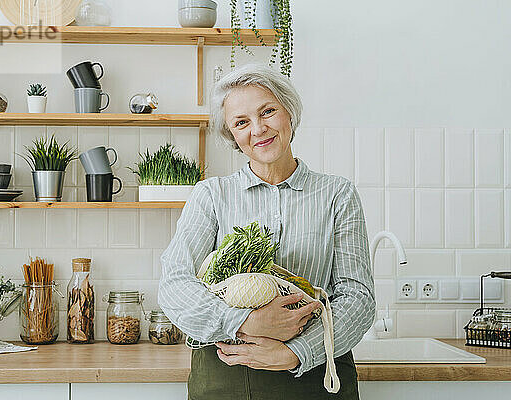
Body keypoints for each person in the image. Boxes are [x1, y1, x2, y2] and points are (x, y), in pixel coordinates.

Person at [158, 64, 375, 400]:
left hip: (317, 375)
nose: (258, 129)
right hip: (226, 376)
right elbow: (174, 284)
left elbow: (358, 298)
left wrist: (297, 351)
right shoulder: (212, 195)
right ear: (232, 135)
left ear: (288, 112)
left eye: (268, 111)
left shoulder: (337, 194)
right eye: (241, 122)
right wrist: (243, 322)